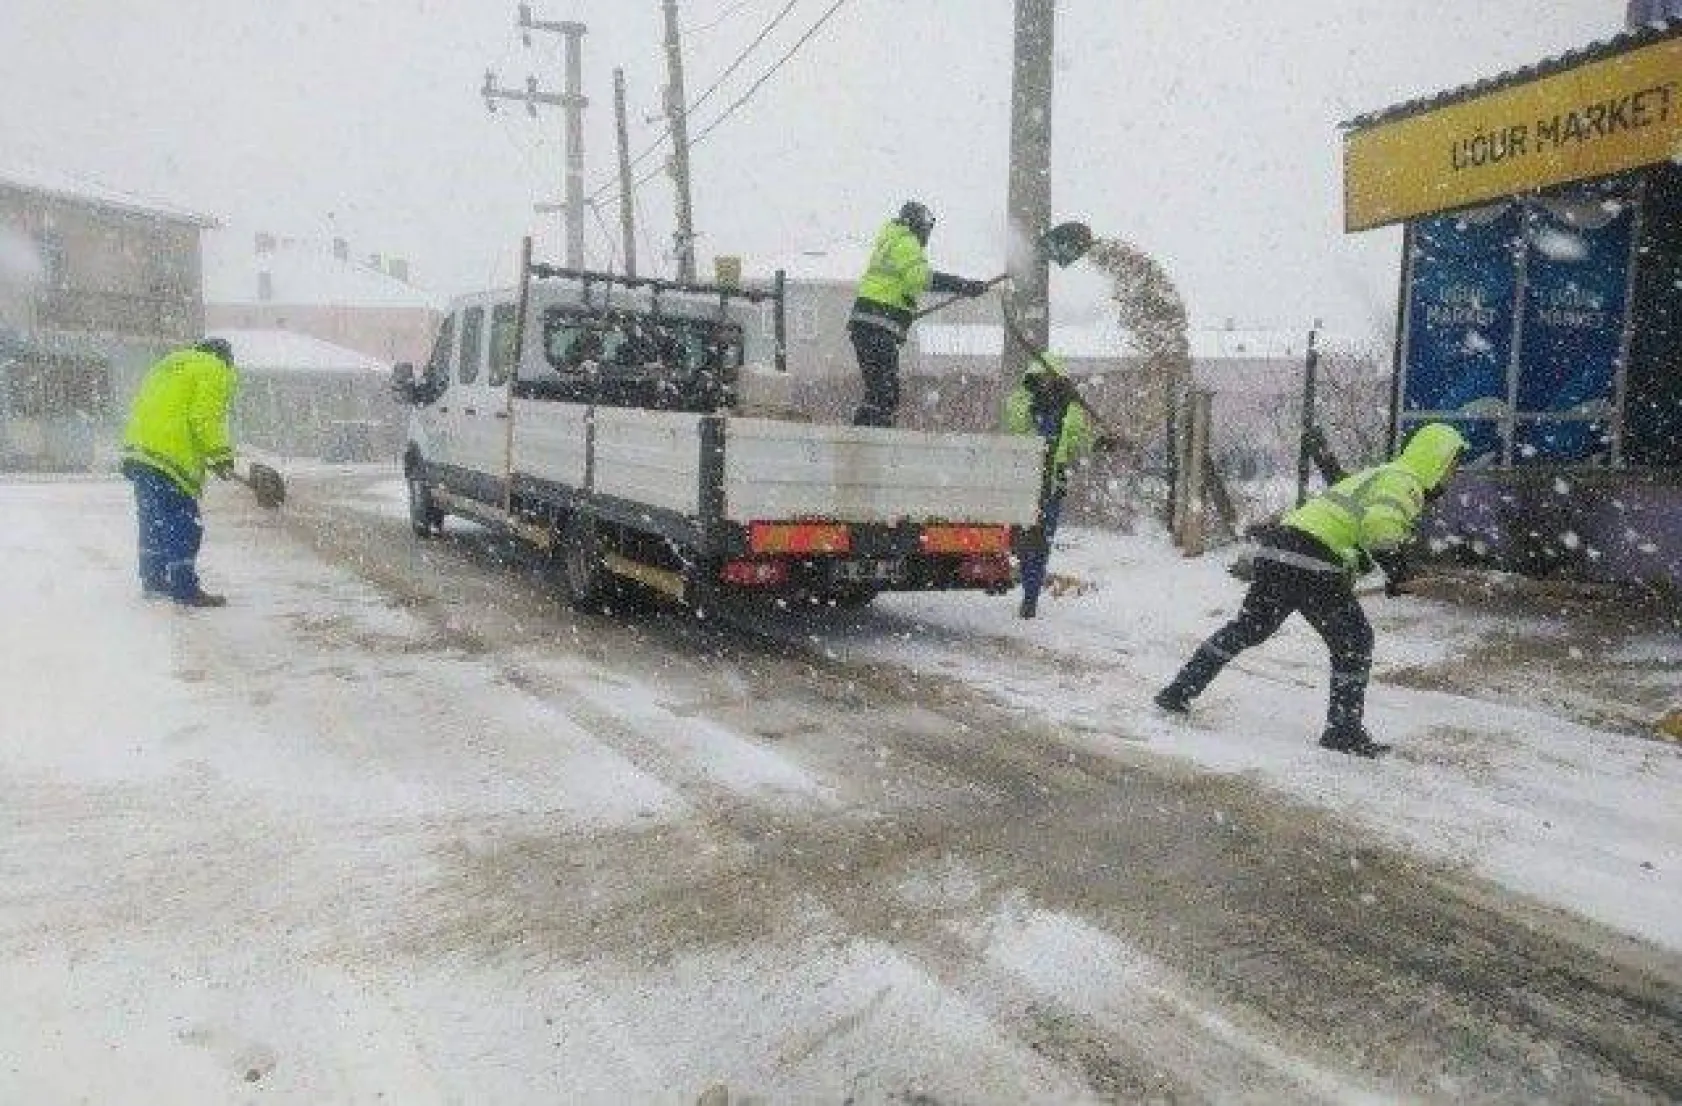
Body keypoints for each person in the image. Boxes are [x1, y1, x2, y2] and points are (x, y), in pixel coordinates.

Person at [1153, 422, 1468, 757]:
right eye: (1452, 465)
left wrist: (1388, 574)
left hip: (1279, 549)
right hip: (1311, 559)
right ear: (1435, 460)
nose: (1453, 474)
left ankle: (1178, 691)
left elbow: (1357, 534)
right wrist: (1398, 571)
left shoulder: (1381, 475)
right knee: (1354, 639)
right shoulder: (1405, 482)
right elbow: (1380, 528)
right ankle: (1343, 731)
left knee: (1249, 628)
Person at [119, 337, 239, 608]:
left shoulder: (169, 366)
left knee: (153, 520)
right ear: (226, 359)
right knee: (182, 521)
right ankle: (185, 589)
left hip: (139, 452)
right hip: (171, 455)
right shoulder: (214, 369)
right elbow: (204, 417)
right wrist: (221, 454)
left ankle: (154, 579)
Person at [848, 201, 990, 427]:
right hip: (877, 325)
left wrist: (901, 314)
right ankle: (873, 441)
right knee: (886, 392)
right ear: (918, 225)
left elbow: (895, 287)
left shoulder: (890, 240)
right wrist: (961, 285)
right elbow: (920, 278)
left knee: (877, 391)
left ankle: (862, 435)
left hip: (867, 323)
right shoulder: (906, 241)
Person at [1003, 352, 1099, 619]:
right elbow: (1014, 426)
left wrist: (1099, 444)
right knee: (1025, 542)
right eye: (1040, 377)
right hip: (1026, 481)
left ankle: (1030, 598)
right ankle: (1028, 587)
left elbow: (1081, 441)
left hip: (1053, 483)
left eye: (1049, 377)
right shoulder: (1022, 401)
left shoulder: (1071, 410)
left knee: (1041, 543)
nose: (1045, 382)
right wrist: (1033, 408)